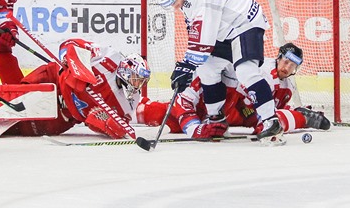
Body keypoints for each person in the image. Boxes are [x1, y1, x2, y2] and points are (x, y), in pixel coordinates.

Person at [154, 0, 282, 143]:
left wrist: (185, 66)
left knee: (245, 72)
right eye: (170, 4)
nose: (175, 6)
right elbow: (196, 32)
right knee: (207, 68)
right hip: (225, 29)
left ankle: (271, 121)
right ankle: (216, 118)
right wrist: (186, 65)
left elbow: (204, 44)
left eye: (174, 1)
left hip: (245, 22)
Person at [0, 38, 152, 138]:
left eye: (141, 81)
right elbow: (70, 45)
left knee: (16, 128)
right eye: (136, 78)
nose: (138, 85)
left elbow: (110, 127)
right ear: (126, 70)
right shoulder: (110, 58)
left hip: (62, 116)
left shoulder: (128, 103)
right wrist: (77, 69)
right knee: (13, 99)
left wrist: (103, 123)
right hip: (54, 79)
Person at [137, 43, 331, 141]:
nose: (287, 67)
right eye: (286, 61)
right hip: (234, 108)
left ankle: (300, 117)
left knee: (265, 124)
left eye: (292, 65)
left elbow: (265, 109)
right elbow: (184, 103)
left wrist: (287, 113)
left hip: (237, 109)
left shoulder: (286, 86)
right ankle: (133, 110)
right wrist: (196, 129)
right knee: (154, 113)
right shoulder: (259, 70)